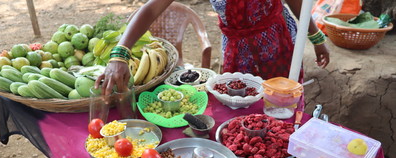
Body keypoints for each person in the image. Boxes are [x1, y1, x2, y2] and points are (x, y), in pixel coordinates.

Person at [95, 0, 330, 97]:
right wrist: (120, 53)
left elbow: (297, 2)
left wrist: (316, 37)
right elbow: (151, 9)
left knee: (282, 104)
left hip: (279, 46)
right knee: (240, 102)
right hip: (238, 52)